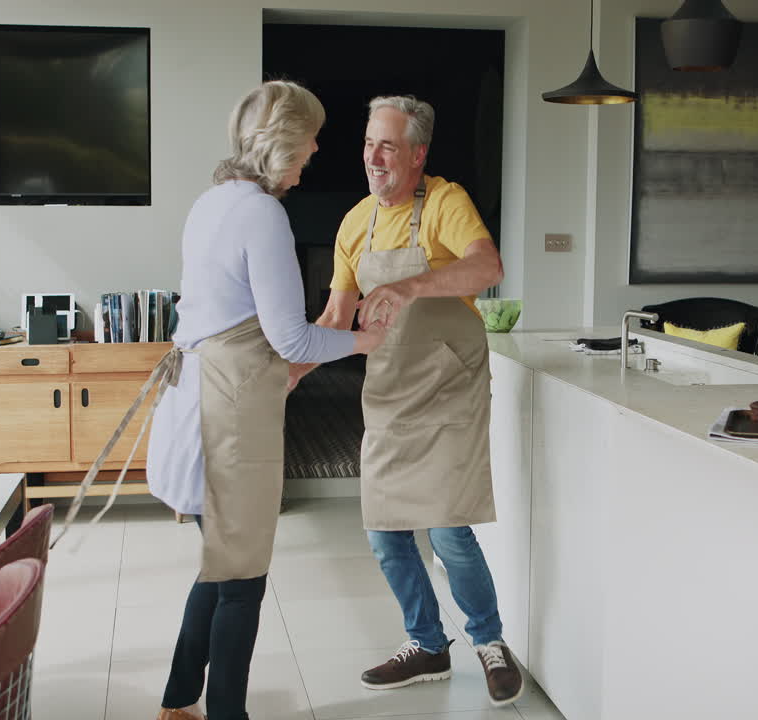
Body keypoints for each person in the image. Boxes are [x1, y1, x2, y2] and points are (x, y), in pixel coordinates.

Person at [146, 81, 386, 720]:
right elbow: (291, 338)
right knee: (241, 581)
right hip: (228, 415)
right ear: (283, 142)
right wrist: (365, 340)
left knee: (222, 565)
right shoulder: (262, 214)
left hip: (199, 399)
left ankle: (177, 703)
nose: (316, 150)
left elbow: (235, 320)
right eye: (311, 138)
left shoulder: (212, 201)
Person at [291, 96, 523, 706]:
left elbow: (487, 267)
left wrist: (411, 285)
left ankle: (489, 641)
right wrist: (289, 372)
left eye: (387, 146)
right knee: (385, 532)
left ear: (418, 154)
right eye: (369, 143)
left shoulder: (446, 202)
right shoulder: (354, 224)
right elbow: (336, 318)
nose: (373, 157)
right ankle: (427, 644)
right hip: (390, 392)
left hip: (449, 390)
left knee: (447, 530)